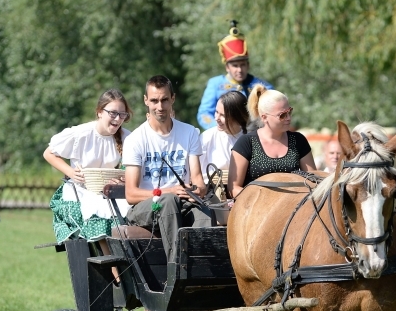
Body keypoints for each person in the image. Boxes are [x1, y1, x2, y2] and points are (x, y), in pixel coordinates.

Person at [123, 75, 210, 262]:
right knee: (168, 200)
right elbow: (131, 194)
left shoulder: (189, 132)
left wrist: (197, 190)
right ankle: (177, 269)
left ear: (173, 99)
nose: (160, 107)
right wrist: (167, 191)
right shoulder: (135, 140)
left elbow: (198, 181)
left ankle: (206, 272)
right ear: (146, 101)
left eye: (164, 100)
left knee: (206, 215)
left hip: (184, 203)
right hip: (147, 206)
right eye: (154, 101)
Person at [43, 89, 132, 250]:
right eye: (112, 113)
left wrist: (121, 179)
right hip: (80, 190)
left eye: (122, 114)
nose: (118, 119)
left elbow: (130, 169)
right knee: (94, 212)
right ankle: (114, 270)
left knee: (127, 213)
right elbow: (49, 153)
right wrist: (70, 172)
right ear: (99, 112)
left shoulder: (127, 138)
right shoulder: (81, 134)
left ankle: (123, 266)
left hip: (108, 192)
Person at [228, 85, 316, 197]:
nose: (288, 118)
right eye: (282, 115)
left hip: (293, 208)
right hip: (256, 209)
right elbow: (233, 188)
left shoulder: (298, 140)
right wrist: (262, 201)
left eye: (290, 112)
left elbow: (313, 181)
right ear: (264, 117)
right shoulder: (246, 142)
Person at [197, 21, 273, 131]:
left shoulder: (261, 86)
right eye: (235, 65)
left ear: (248, 65)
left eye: (242, 65)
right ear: (227, 67)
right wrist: (222, 127)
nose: (239, 70)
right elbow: (204, 114)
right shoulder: (215, 84)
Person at [199, 91, 249, 185]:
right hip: (213, 193)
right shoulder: (207, 138)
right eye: (216, 112)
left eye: (223, 115)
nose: (216, 118)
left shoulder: (251, 138)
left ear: (238, 117)